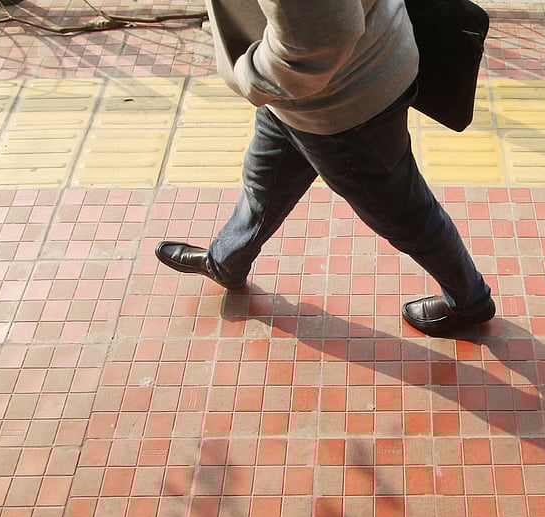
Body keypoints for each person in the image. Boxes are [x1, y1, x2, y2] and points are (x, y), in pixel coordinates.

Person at [155, 0, 495, 337]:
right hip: (311, 91)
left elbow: (321, 39)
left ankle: (469, 299)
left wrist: (247, 75)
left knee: (403, 213)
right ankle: (226, 261)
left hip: (344, 103)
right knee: (265, 179)